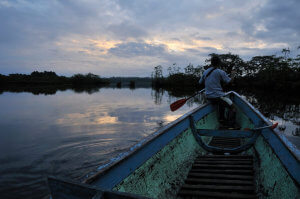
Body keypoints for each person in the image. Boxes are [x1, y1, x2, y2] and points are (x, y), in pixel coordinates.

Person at [199, 56, 236, 126]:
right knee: (233, 108)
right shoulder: (220, 72)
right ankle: (230, 125)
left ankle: (222, 119)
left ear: (211, 63)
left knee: (221, 103)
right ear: (219, 63)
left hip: (208, 97)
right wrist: (233, 75)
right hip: (217, 96)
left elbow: (200, 82)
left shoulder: (205, 72)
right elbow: (230, 81)